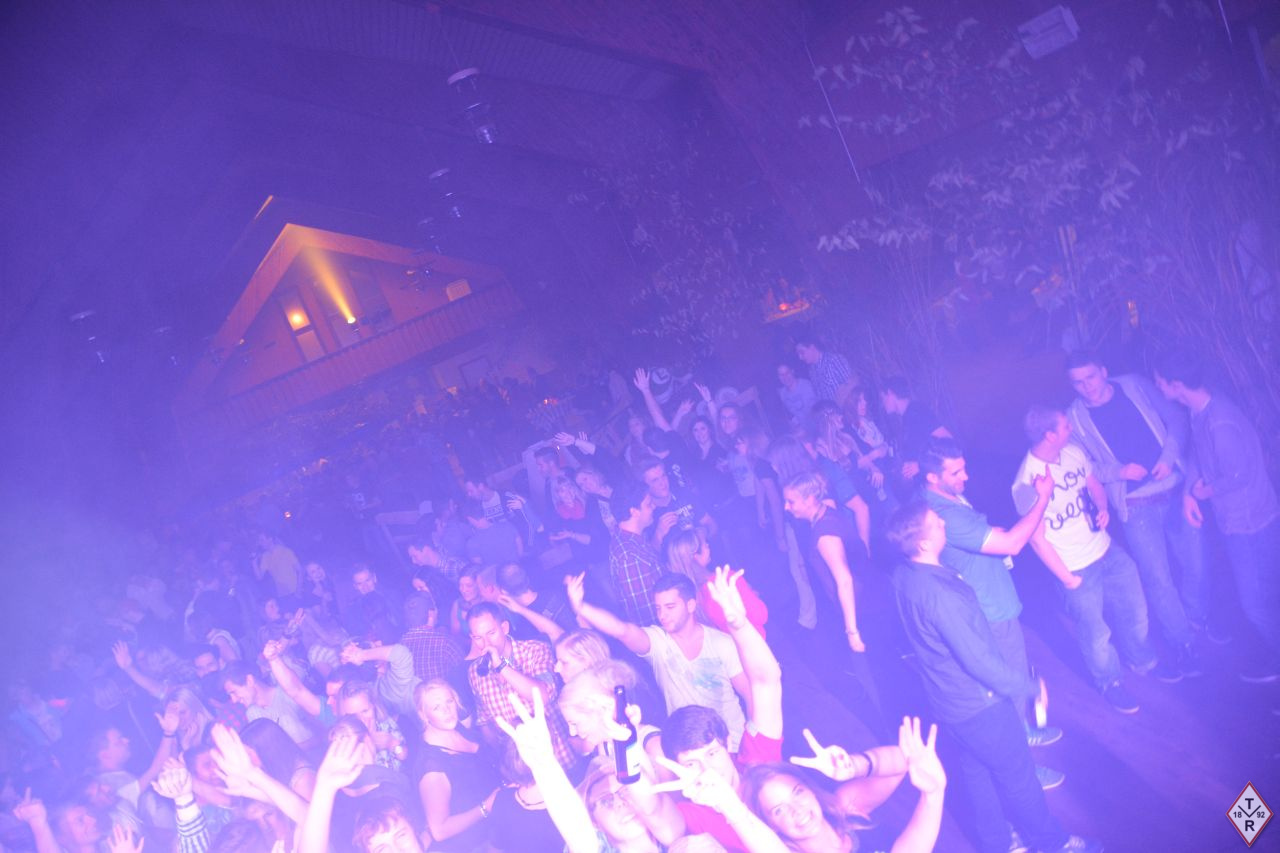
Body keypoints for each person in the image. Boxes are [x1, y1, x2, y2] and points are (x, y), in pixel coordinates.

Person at [887, 501, 1099, 853]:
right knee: (1020, 778)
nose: (943, 523)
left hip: (950, 703)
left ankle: (998, 843)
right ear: (923, 543)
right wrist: (1029, 686)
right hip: (980, 705)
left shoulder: (905, 575)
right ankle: (1054, 844)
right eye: (936, 523)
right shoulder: (941, 596)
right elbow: (978, 662)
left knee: (978, 775)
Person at [920, 438, 1065, 766]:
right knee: (1008, 683)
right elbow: (1013, 544)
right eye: (956, 472)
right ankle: (1023, 767)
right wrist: (1042, 498)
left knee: (1010, 676)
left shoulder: (944, 497)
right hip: (989, 610)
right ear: (932, 476)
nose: (966, 476)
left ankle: (1023, 733)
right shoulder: (944, 513)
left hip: (989, 597)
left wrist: (987, 534)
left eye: (964, 468)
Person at [1065, 351, 1201, 678]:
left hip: (1176, 490)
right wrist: (1119, 471)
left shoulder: (1134, 386)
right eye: (1078, 383)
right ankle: (1183, 641)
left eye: (1091, 377)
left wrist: (1167, 458)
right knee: (1158, 579)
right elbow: (1084, 467)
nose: (1087, 387)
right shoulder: (1075, 418)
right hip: (1136, 506)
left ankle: (1198, 618)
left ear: (1104, 370)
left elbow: (1177, 420)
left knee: (1196, 563)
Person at [1013, 406, 1157, 714]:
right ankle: (1110, 682)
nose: (1071, 429)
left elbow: (1093, 485)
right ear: (1049, 435)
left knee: (1135, 608)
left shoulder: (1073, 452)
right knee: (1095, 633)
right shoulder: (1026, 482)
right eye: (1066, 426)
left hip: (1105, 549)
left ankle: (1141, 660)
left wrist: (1102, 507)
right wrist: (1067, 578)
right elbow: (1036, 539)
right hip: (1074, 566)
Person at [1154, 350, 1280, 678]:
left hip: (1251, 523)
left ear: (1176, 385)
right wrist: (1189, 493)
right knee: (1263, 597)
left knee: (1257, 603)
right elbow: (1200, 453)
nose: (1157, 387)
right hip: (1239, 519)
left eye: (1160, 382)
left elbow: (1239, 475)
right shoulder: (1201, 409)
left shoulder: (1219, 422)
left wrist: (1204, 491)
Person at [567, 571, 749, 751]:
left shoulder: (721, 643)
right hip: (688, 747)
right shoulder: (658, 642)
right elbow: (622, 630)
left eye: (670, 607)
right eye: (658, 608)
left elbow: (749, 693)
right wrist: (581, 608)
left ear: (690, 605)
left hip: (733, 741)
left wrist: (753, 740)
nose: (662, 615)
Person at [742, 715, 947, 853]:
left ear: (810, 790)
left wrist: (855, 766)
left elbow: (902, 761)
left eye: (798, 793)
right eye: (778, 810)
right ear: (771, 826)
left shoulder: (844, 809)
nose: (797, 810)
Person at [465, 602, 577, 770]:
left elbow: (543, 696)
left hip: (560, 760)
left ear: (504, 628)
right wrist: (503, 761)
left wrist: (501, 667)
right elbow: (485, 720)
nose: (486, 643)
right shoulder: (475, 671)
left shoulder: (535, 651)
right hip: (524, 772)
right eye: (478, 638)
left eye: (491, 633)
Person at [412, 678, 501, 851]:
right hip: (477, 845)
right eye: (437, 707)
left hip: (497, 826)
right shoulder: (431, 767)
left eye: (449, 701)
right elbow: (439, 831)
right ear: (423, 715)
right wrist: (485, 808)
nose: (447, 710)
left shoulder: (456, 728)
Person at [664, 526, 768, 637]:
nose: (708, 545)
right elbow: (761, 615)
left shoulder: (688, 598)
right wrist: (752, 594)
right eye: (705, 544)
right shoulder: (726, 580)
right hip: (754, 642)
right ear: (695, 556)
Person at [608, 479, 665, 626]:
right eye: (648, 504)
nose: (654, 506)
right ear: (634, 511)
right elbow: (646, 613)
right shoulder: (629, 556)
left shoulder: (631, 539)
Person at [221, 661, 317, 746]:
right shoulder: (252, 714)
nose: (234, 700)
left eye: (234, 692)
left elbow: (321, 728)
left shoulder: (288, 693)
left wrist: (295, 750)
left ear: (249, 681)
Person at [879, 376, 952, 482]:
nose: (882, 404)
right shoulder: (907, 417)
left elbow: (947, 439)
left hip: (939, 481)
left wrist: (920, 465)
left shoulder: (917, 411)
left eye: (882, 398)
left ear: (890, 393)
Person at [400, 590, 465, 683]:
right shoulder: (445, 643)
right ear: (431, 614)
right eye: (435, 607)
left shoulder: (400, 645)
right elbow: (464, 673)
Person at [795, 337, 857, 407]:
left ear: (812, 347)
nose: (800, 357)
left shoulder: (834, 360)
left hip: (846, 409)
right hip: (830, 412)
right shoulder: (812, 371)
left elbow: (853, 388)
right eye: (798, 355)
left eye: (802, 352)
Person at [776, 362, 818, 427]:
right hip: (800, 428)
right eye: (781, 375)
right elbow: (790, 414)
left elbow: (813, 411)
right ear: (778, 377)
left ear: (792, 371)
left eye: (787, 373)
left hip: (815, 425)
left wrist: (802, 428)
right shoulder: (782, 393)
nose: (785, 377)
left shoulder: (805, 385)